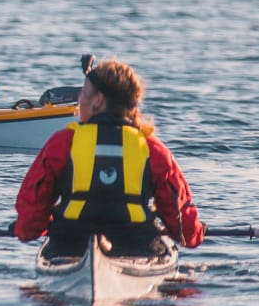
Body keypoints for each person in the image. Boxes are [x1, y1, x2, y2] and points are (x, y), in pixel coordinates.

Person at [13, 58, 205, 262]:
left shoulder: (61, 144)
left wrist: (29, 229)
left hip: (68, 246)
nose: (79, 99)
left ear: (98, 100)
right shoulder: (153, 149)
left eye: (84, 92)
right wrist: (197, 232)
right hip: (137, 248)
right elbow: (186, 232)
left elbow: (29, 223)